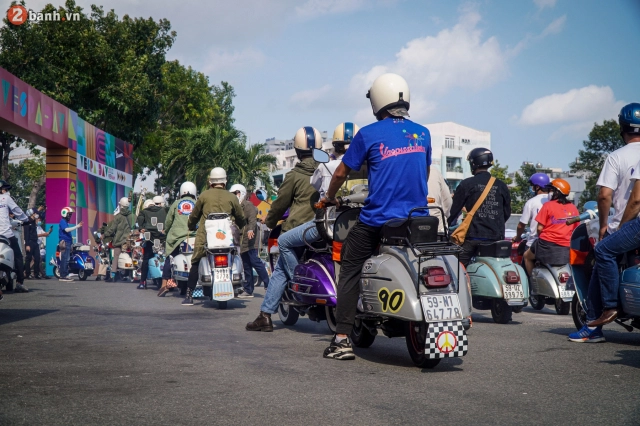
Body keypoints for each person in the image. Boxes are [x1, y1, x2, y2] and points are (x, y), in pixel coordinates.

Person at [316, 73, 433, 360]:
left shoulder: (368, 134)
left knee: (349, 265)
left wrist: (329, 197)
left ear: (378, 100)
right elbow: (424, 172)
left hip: (378, 221)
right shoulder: (423, 133)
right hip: (417, 221)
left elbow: (342, 172)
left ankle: (342, 337)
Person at [569, 102, 640, 339]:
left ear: (622, 127)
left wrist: (604, 227)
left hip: (626, 223)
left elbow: (604, 195)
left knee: (602, 256)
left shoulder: (616, 157)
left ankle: (595, 323)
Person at [244, 126, 324, 331]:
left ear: (297, 151)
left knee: (281, 269)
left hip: (299, 230)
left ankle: (266, 314)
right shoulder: (327, 168)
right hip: (326, 229)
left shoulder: (295, 175)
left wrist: (269, 223)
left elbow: (280, 204)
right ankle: (265, 314)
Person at [183, 167, 245, 306]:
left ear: (210, 181)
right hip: (226, 237)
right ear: (225, 182)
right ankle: (240, 285)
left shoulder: (204, 196)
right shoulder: (232, 197)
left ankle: (189, 294)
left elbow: (194, 216)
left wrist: (191, 225)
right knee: (236, 254)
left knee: (195, 261)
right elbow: (241, 217)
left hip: (206, 236)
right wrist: (240, 225)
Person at [447, 148, 512, 267]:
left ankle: (464, 284)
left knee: (456, 266)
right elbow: (506, 213)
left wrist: (445, 226)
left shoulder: (467, 184)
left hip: (473, 237)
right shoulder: (501, 186)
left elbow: (453, 211)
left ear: (473, 163)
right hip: (496, 239)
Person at [523, 179, 578, 276]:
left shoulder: (548, 205)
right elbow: (575, 229)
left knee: (527, 256)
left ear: (556, 192)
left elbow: (539, 228)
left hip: (546, 245)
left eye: (551, 190)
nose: (550, 193)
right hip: (566, 247)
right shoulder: (573, 208)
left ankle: (532, 281)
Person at [229, 184, 270, 298]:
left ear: (241, 193)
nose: (234, 196)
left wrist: (251, 229)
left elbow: (252, 220)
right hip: (242, 238)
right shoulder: (235, 207)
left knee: (255, 261)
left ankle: (268, 285)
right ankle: (248, 289)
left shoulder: (248, 205)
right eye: (232, 194)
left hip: (251, 236)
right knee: (246, 263)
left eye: (235, 193)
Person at [157, 182, 198, 297]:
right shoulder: (197, 203)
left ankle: (164, 284)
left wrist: (166, 230)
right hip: (194, 236)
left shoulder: (176, 203)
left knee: (170, 257)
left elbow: (169, 220)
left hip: (177, 237)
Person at [0, 180, 29, 292]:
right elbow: (18, 211)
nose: (6, 192)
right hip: (6, 234)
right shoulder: (6, 198)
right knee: (18, 257)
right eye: (5, 189)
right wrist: (26, 220)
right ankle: (19, 283)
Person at [513, 173, 550, 253]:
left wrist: (518, 237)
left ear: (537, 187)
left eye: (532, 186)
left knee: (525, 260)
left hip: (534, 243)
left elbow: (521, 225)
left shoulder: (531, 202)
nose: (531, 188)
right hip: (551, 243)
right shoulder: (553, 201)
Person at [136, 196, 167, 289]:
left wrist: (141, 228)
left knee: (146, 259)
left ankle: (143, 282)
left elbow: (139, 222)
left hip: (149, 239)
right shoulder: (165, 211)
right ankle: (168, 280)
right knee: (166, 258)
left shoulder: (144, 211)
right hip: (162, 238)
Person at [104, 197, 133, 283]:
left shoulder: (118, 216)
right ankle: (130, 275)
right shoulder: (132, 216)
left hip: (119, 240)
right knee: (131, 255)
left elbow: (112, 229)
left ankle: (113, 276)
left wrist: (105, 235)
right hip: (129, 240)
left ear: (121, 205)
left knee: (116, 256)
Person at [58, 206, 83, 282]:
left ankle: (64, 275)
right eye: (69, 214)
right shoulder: (62, 221)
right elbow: (66, 230)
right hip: (64, 242)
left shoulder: (65, 222)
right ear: (65, 214)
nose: (70, 216)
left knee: (66, 259)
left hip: (67, 242)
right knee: (65, 259)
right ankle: (63, 275)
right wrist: (77, 226)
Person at [428, 167, 453, 233]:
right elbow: (448, 202)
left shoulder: (402, 171)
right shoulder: (434, 172)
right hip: (438, 225)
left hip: (410, 225)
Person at [23, 208, 43, 281]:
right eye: (36, 213)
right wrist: (27, 244)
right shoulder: (27, 222)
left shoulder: (34, 222)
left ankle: (36, 274)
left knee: (37, 258)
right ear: (32, 214)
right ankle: (27, 274)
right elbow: (26, 234)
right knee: (28, 258)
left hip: (35, 242)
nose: (37, 215)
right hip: (29, 242)